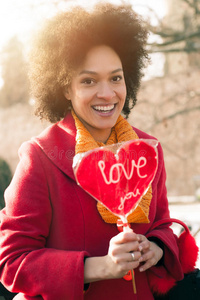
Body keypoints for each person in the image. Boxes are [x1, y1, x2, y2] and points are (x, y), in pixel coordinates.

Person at [0, 2, 197, 300]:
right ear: (65, 87)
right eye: (89, 80)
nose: (107, 93)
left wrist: (155, 247)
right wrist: (99, 267)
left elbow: (163, 224)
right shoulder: (40, 156)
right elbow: (12, 262)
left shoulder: (147, 149)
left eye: (116, 78)